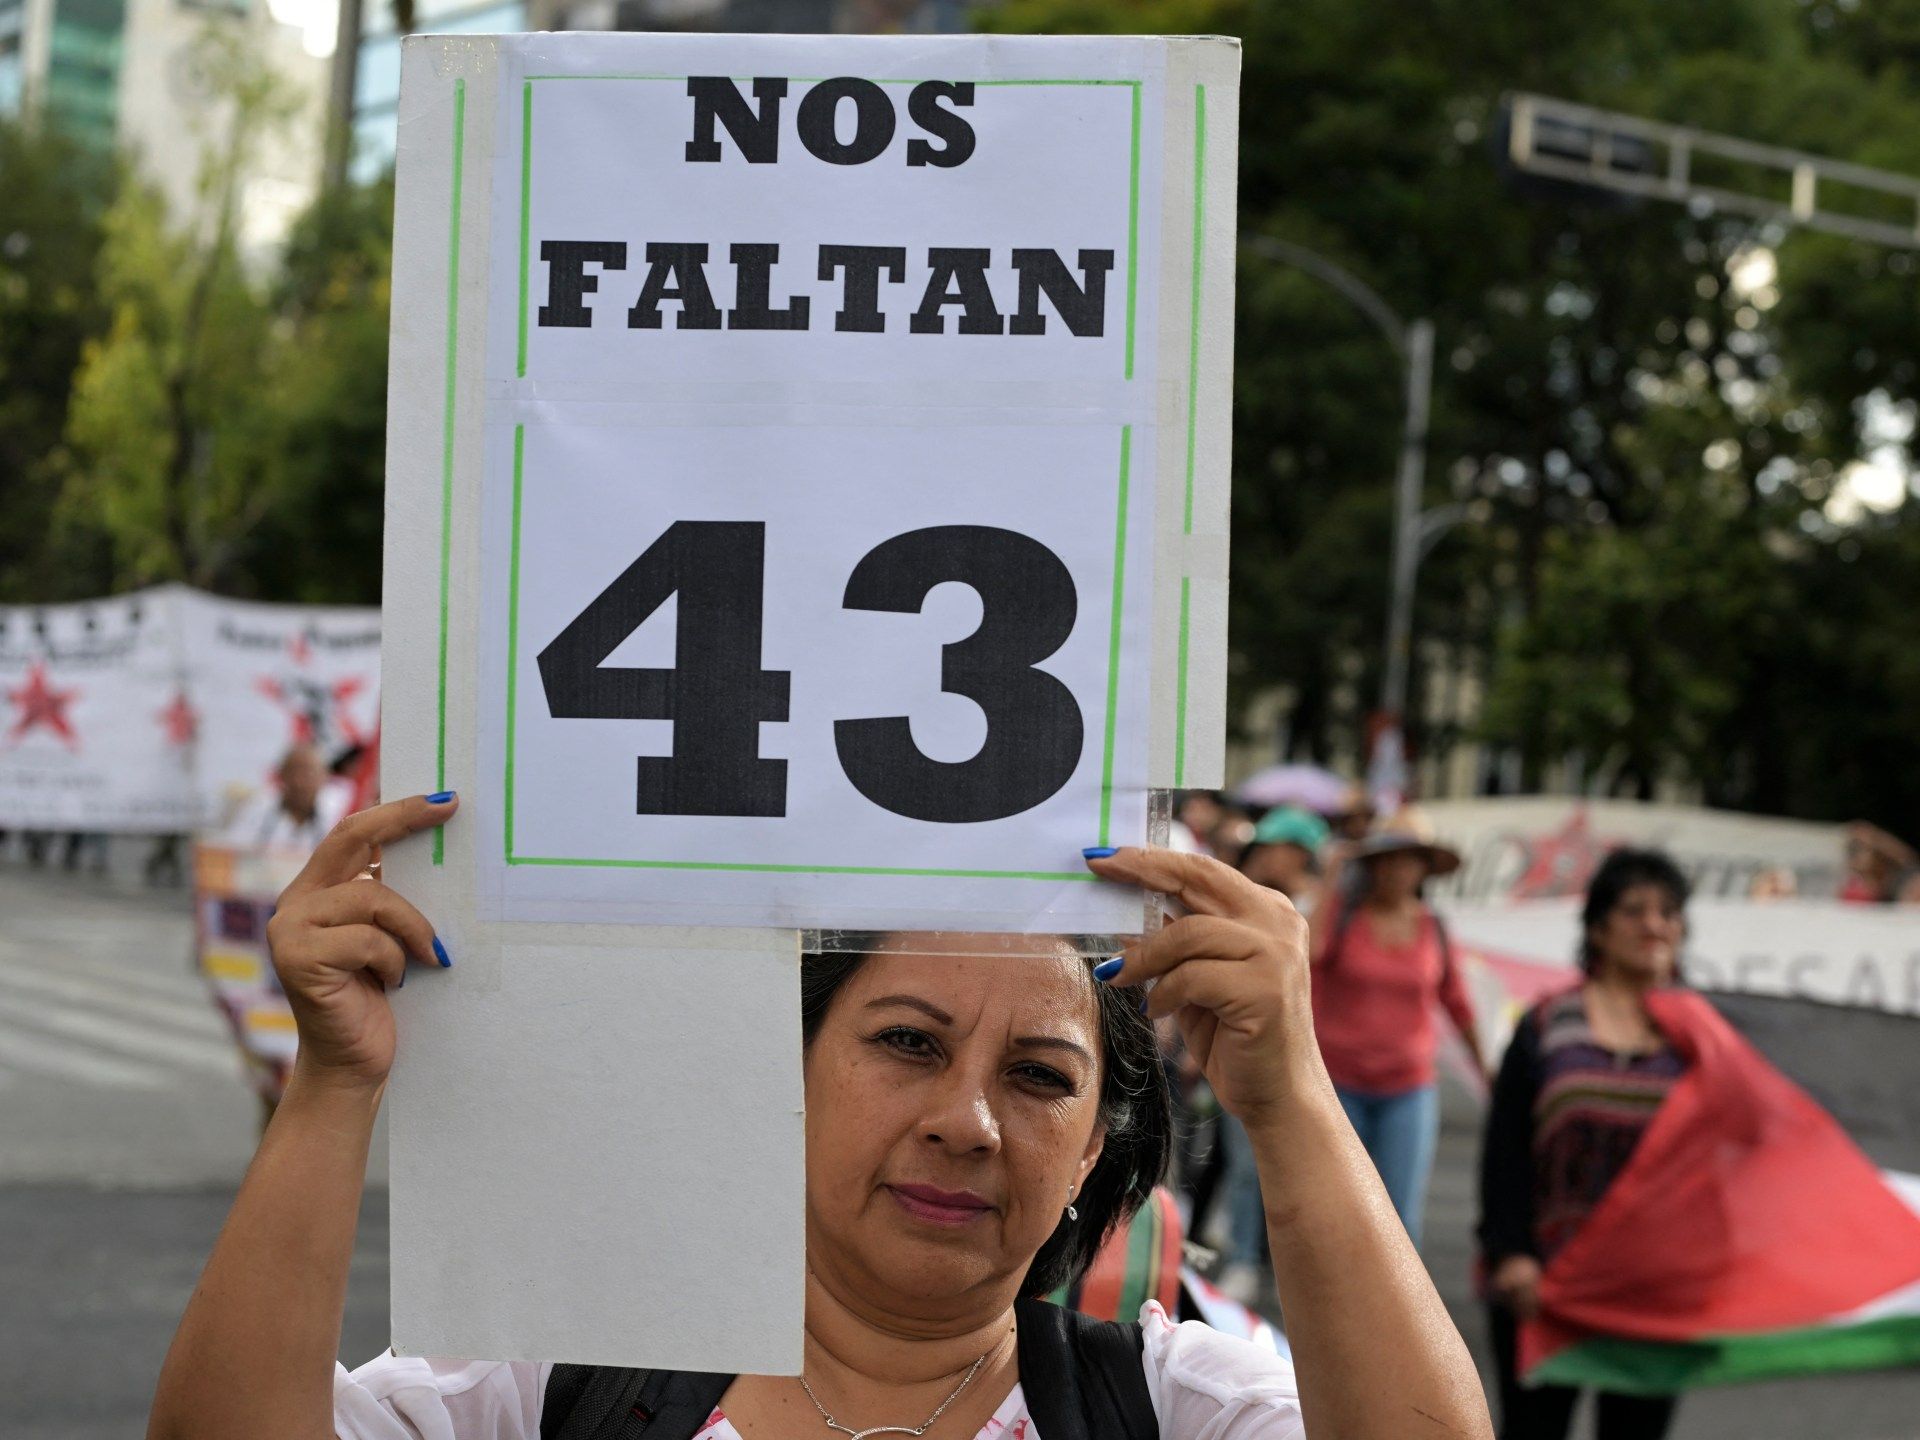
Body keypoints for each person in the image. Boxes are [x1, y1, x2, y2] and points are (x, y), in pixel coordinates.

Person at [147, 794, 1494, 1440]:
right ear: (781, 1077)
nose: (967, 1121)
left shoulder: (1176, 1409)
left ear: (1094, 1149)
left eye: (1040, 1077)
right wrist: (334, 1086)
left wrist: (1295, 1095)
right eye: (906, 1044)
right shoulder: (552, 1393)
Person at [1476, 848, 1691, 1440]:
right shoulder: (1547, 1025)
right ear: (1598, 927)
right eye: (1635, 910)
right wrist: (1511, 1253)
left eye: (1669, 912)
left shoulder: (1703, 1035)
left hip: (1653, 1287)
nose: (1655, 925)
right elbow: (1506, 1150)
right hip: (1544, 1283)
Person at [1305, 808, 1483, 1249]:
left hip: (1409, 1088)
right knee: (1340, 1208)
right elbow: (1309, 952)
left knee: (1400, 1215)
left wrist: (1488, 1069)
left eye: (1409, 859)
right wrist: (1332, 876)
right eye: (1388, 858)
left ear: (1424, 869)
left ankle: (1396, 1318)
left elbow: (1458, 1003)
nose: (1397, 869)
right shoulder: (1345, 918)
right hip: (1339, 1084)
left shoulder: (1433, 927)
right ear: (1372, 865)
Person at [1207, 806, 1332, 1303]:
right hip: (1250, 1046)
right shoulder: (1245, 896)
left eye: (1281, 846)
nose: (1269, 854)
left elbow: (1317, 952)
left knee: (1303, 1168)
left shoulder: (1320, 903)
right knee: (1243, 1166)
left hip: (1312, 1057)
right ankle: (1243, 1257)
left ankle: (1296, 1271)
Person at [219, 743, 350, 850]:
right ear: (281, 775)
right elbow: (233, 852)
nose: (299, 782)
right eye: (293, 772)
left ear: (324, 776)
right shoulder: (257, 809)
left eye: (308, 773)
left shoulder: (340, 813)